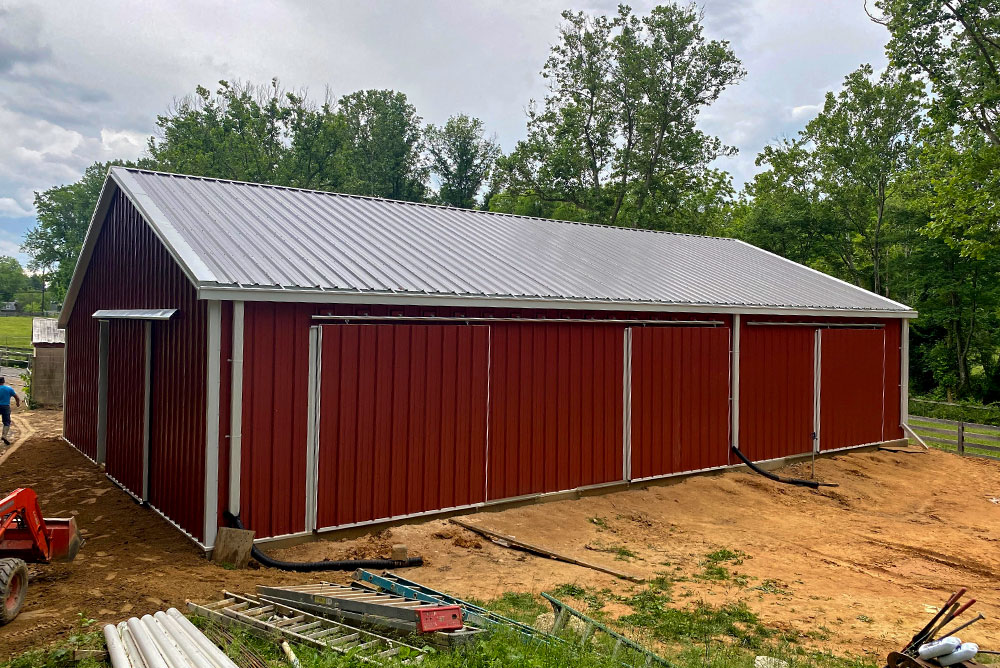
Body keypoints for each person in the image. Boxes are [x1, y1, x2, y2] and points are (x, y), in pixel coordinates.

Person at [0, 377, 20, 446]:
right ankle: (4, 435)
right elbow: (17, 397)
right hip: (5, 407)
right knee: (7, 422)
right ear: (4, 381)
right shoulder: (9, 388)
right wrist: (17, 403)